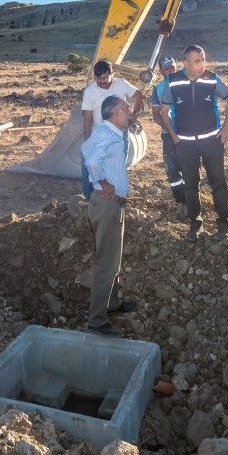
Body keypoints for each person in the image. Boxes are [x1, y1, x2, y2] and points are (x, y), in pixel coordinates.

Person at [160, 45, 228, 242]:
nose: (201, 64)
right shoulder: (173, 81)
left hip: (211, 140)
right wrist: (173, 135)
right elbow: (163, 111)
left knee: (218, 182)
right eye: (196, 61)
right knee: (191, 185)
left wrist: (226, 127)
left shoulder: (212, 78)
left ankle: (224, 224)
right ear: (185, 63)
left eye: (202, 59)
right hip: (185, 144)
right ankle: (195, 224)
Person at [79, 95, 136, 337]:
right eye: (125, 109)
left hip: (110, 205)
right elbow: (91, 159)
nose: (129, 112)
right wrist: (101, 181)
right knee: (106, 264)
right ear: (114, 112)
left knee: (113, 261)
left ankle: (111, 305)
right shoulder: (105, 133)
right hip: (106, 205)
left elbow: (84, 148)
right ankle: (97, 322)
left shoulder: (108, 131)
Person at [80, 59, 142, 199]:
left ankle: (117, 196)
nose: (101, 81)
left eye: (104, 77)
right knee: (91, 168)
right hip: (100, 135)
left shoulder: (121, 84)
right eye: (98, 78)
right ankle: (91, 199)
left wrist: (133, 116)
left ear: (112, 74)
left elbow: (138, 95)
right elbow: (87, 119)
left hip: (120, 135)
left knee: (117, 167)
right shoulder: (90, 92)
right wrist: (89, 142)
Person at [148, 55, 188, 209]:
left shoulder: (186, 83)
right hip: (168, 135)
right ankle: (179, 198)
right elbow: (156, 115)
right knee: (172, 168)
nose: (170, 70)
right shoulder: (158, 89)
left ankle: (191, 195)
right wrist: (169, 129)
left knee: (189, 165)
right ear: (161, 71)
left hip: (188, 133)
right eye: (166, 68)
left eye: (172, 67)